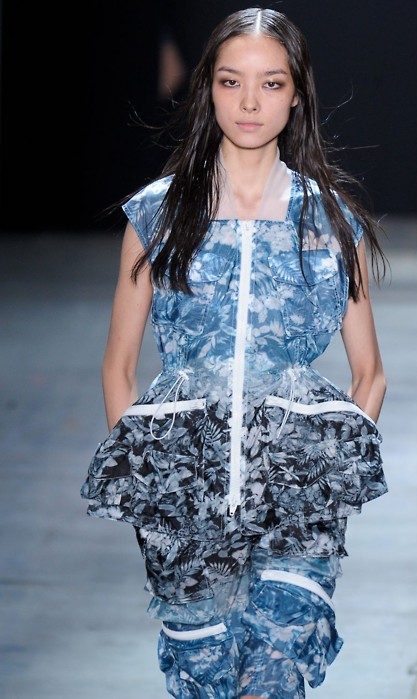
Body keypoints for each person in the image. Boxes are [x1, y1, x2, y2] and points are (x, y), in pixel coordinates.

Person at [81, 6, 388, 698]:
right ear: (208, 89)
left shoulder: (328, 220)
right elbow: (118, 366)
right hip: (184, 498)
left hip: (298, 498)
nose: (250, 102)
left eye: (271, 83)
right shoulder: (158, 215)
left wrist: (330, 472)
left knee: (270, 681)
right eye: (231, 81)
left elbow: (370, 371)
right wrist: (148, 482)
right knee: (208, 682)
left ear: (297, 95)